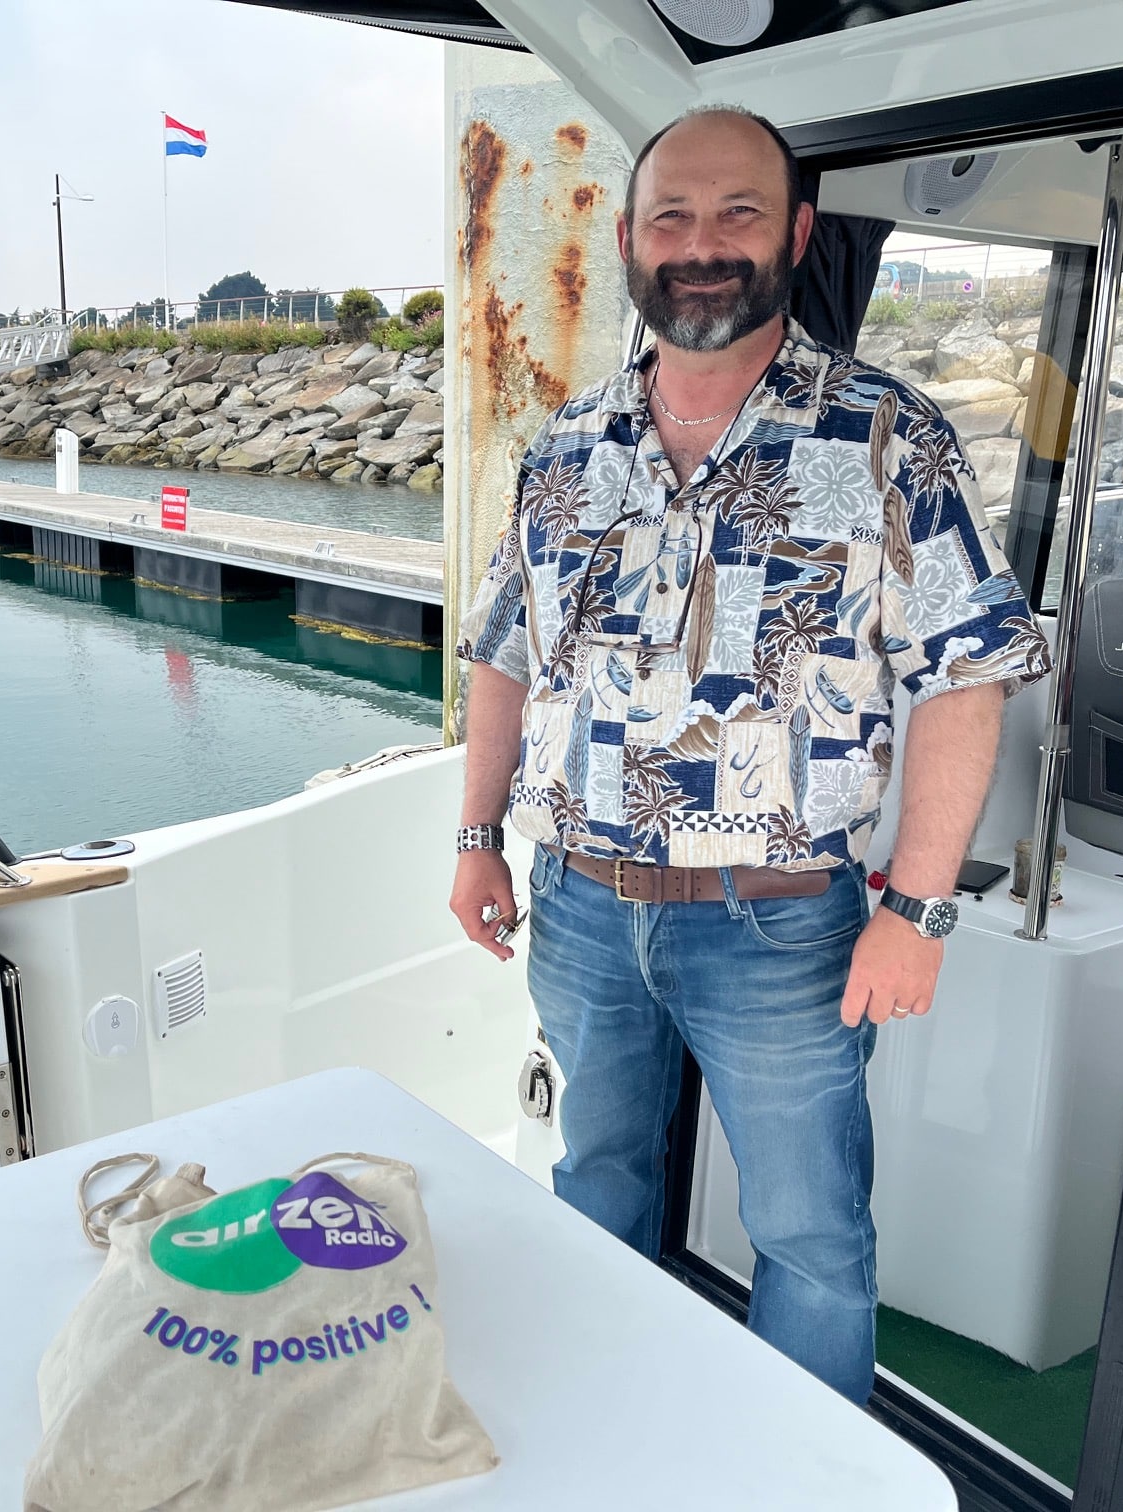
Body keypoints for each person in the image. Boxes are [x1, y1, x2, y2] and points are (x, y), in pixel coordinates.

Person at [449, 105, 1051, 1404]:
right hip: (580, 908)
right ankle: (602, 1431)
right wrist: (475, 836)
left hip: (781, 926)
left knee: (812, 1239)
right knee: (595, 1181)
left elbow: (969, 676)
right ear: (629, 240)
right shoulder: (567, 447)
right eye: (673, 217)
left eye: (737, 215)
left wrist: (918, 909)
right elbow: (505, 653)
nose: (702, 246)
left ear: (795, 234)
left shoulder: (887, 437)